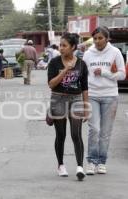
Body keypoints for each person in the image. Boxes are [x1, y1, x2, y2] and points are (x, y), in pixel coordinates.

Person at [83, 26, 126, 175]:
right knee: (94, 129)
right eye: (95, 38)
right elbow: (84, 76)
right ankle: (91, 161)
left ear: (107, 39)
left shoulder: (115, 53)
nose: (97, 41)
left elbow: (122, 75)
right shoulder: (88, 54)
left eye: (100, 38)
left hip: (110, 96)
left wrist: (105, 73)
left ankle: (102, 162)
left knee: (105, 132)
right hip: (92, 95)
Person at [47, 33, 89, 181]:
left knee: (76, 134)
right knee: (61, 135)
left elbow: (84, 87)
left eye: (64, 45)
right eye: (60, 45)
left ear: (73, 47)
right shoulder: (54, 62)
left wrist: (86, 107)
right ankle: (61, 165)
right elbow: (51, 84)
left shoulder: (81, 64)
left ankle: (80, 167)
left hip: (76, 99)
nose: (61, 48)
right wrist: (65, 71)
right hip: (58, 98)